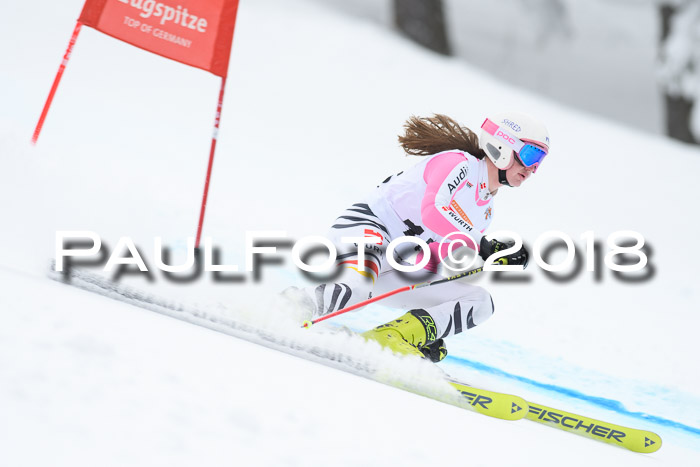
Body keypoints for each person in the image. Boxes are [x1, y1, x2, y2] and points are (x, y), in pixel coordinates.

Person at [285, 112, 550, 362]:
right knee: (355, 291)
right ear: (502, 145)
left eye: (539, 162)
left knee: (480, 303)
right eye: (530, 154)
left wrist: (427, 324)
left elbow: (434, 259)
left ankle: (395, 337)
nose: (532, 168)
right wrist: (481, 244)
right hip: (369, 228)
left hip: (400, 261)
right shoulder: (459, 164)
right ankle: (284, 310)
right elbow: (433, 210)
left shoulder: (485, 210)